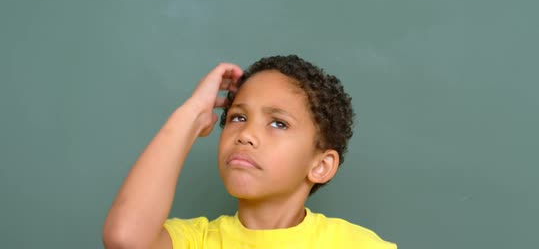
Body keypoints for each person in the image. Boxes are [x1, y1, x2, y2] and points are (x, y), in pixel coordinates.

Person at [103, 55, 397, 248]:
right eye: (238, 118)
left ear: (320, 165)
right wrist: (190, 116)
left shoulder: (357, 245)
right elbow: (125, 239)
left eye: (278, 123)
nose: (246, 134)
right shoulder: (197, 241)